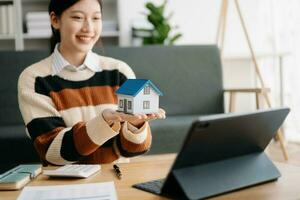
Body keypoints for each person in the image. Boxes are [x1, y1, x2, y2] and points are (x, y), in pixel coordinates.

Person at [18, 0, 165, 166]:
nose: (88, 28)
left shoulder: (119, 71)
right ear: (55, 20)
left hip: (116, 177)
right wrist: (103, 122)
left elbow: (133, 150)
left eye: (96, 18)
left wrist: (136, 125)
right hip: (64, 184)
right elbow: (52, 152)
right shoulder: (35, 79)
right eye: (78, 17)